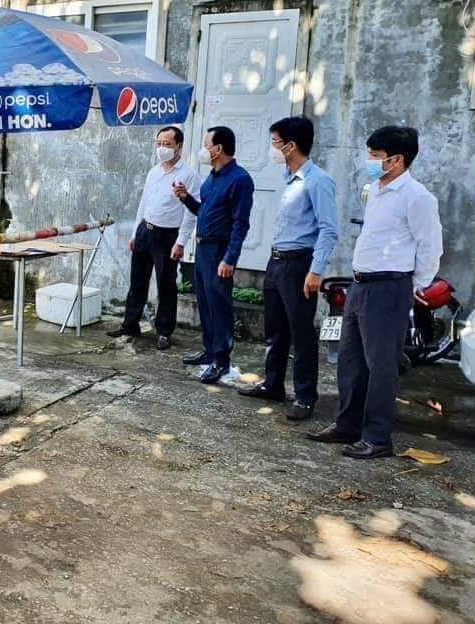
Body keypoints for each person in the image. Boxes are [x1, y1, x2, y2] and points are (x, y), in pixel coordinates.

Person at [307, 126, 442, 460]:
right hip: (360, 284)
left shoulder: (417, 197)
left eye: (375, 155)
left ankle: (377, 437)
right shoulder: (376, 190)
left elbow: (430, 247)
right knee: (350, 360)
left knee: (381, 365)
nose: (368, 160)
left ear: (396, 160)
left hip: (389, 287)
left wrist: (413, 285)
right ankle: (347, 425)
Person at [238, 117, 339, 421]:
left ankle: (305, 397)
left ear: (290, 146)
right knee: (275, 328)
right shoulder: (289, 178)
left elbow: (329, 229)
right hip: (277, 261)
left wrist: (316, 270)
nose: (272, 149)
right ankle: (273, 384)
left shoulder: (317, 181)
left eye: (275, 143)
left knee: (301, 332)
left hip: (299, 264)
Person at [107, 126, 201, 350]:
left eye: (167, 144)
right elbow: (144, 202)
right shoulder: (154, 171)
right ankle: (130, 324)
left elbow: (191, 213)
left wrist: (181, 242)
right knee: (137, 281)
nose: (161, 148)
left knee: (166, 284)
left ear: (179, 146)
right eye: (158, 143)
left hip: (168, 236)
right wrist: (135, 233)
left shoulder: (189, 175)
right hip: (145, 230)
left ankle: (164, 331)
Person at [173, 126, 254, 383]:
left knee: (219, 305)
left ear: (218, 149)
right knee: (206, 303)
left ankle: (221, 360)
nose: (203, 149)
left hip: (220, 249)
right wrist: (186, 198)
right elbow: (204, 211)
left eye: (207, 145)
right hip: (203, 248)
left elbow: (240, 224)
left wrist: (230, 258)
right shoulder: (211, 178)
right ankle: (209, 352)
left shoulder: (240, 180)